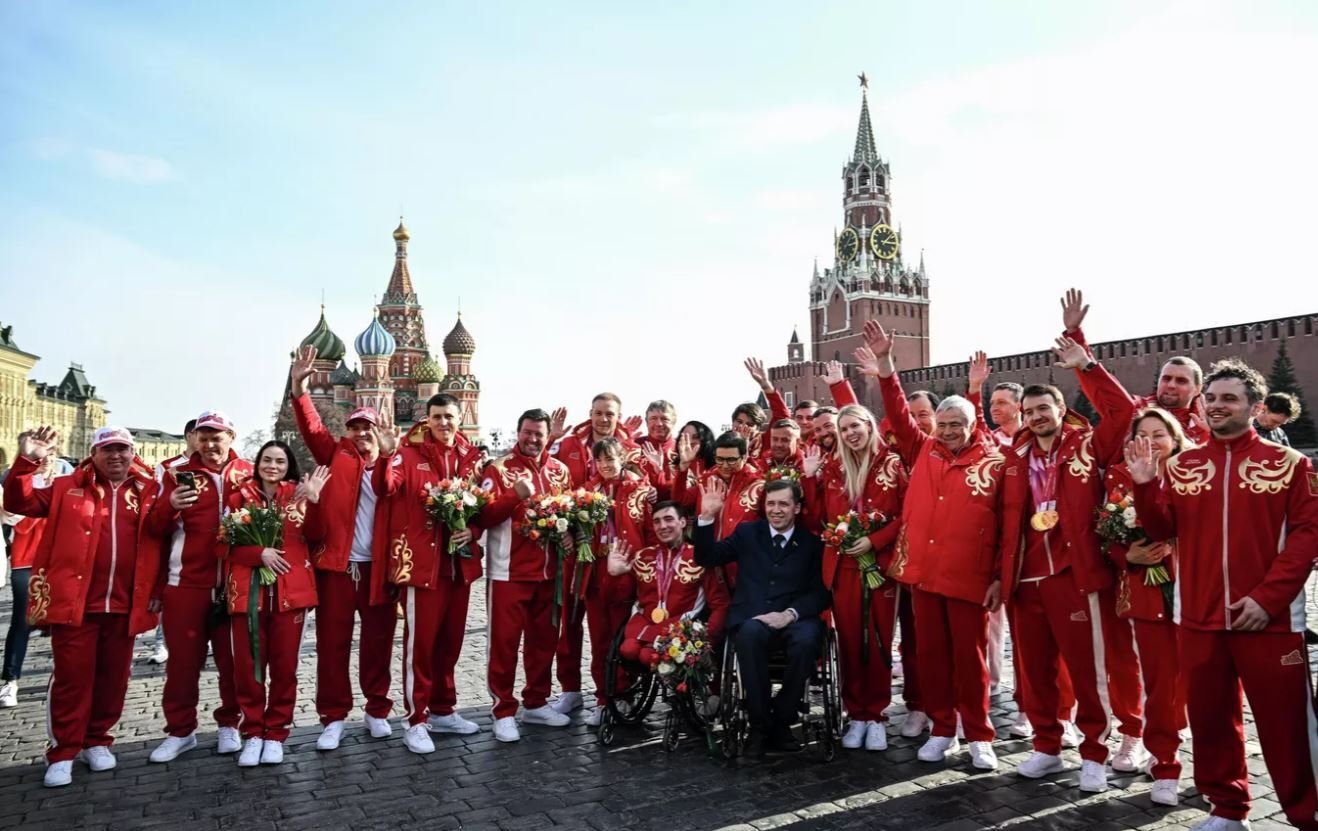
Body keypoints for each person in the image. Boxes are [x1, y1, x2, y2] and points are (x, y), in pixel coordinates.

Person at [1130, 359, 1318, 831]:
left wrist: (1267, 600)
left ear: (1255, 406)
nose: (1217, 406)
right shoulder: (1181, 466)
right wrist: (1146, 486)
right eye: (1211, 398)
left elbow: (1308, 535)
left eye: (1229, 399)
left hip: (1271, 622)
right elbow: (1162, 530)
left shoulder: (1290, 465)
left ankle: (1307, 814)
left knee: (1289, 726)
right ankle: (1228, 809)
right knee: (1211, 722)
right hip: (1198, 617)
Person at [857, 326, 1005, 772]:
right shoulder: (923, 451)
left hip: (968, 577)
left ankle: (978, 734)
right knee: (932, 658)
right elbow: (898, 412)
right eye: (943, 425)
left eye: (958, 424)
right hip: (923, 575)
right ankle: (943, 730)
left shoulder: (996, 462)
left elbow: (1008, 525)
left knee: (971, 660)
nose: (950, 431)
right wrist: (886, 366)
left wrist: (999, 575)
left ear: (973, 424)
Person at [998, 334, 1140, 794]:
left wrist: (1086, 365)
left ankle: (1095, 752)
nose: (1037, 416)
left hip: (1073, 574)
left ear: (1062, 410)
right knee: (1034, 671)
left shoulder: (1087, 446)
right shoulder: (1013, 457)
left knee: (1087, 671)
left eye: (1045, 408)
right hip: (1025, 579)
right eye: (1030, 411)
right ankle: (1047, 745)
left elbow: (1123, 413)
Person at [3, 426, 164, 787]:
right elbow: (18, 502)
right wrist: (27, 461)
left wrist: (156, 589)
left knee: (114, 679)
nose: (116, 456)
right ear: (94, 454)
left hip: (125, 604)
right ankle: (63, 751)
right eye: (108, 450)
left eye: (122, 449)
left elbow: (160, 541)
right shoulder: (65, 488)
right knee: (72, 680)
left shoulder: (148, 491)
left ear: (132, 453)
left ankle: (97, 740)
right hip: (76, 603)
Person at [289, 346, 397, 750]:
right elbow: (311, 427)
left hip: (377, 570)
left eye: (367, 427)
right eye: (355, 428)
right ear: (347, 433)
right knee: (332, 645)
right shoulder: (335, 456)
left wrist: (388, 454)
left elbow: (393, 490)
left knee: (377, 644)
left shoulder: (391, 464)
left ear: (378, 430)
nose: (361, 433)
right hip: (337, 567)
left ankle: (377, 710)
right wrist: (299, 388)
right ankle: (333, 717)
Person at [374, 392, 487, 754]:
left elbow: (481, 510)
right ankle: (416, 720)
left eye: (449, 416)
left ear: (459, 417)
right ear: (427, 419)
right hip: (422, 566)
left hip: (459, 566)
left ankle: (443, 710)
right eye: (436, 417)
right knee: (420, 648)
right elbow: (385, 488)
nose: (443, 423)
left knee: (450, 645)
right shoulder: (407, 454)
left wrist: (473, 531)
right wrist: (386, 454)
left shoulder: (471, 458)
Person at [694, 477, 830, 755]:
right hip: (753, 616)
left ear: (797, 508)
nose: (776, 510)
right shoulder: (747, 533)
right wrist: (707, 517)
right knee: (748, 635)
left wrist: (790, 614)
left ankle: (782, 720)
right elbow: (707, 557)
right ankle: (759, 725)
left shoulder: (811, 544)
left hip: (794, 618)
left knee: (807, 641)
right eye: (771, 504)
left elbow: (821, 592)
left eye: (783, 504)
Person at [146, 410, 252, 763]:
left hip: (233, 585)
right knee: (182, 664)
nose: (210, 445)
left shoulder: (248, 473)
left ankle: (230, 724)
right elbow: (154, 528)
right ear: (194, 439)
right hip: (186, 584)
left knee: (232, 663)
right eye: (204, 438)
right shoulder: (175, 475)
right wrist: (168, 506)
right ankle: (180, 731)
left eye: (217, 438)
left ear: (231, 438)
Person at [801, 404, 907, 752]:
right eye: (844, 429)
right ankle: (855, 713)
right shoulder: (833, 469)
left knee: (878, 641)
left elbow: (906, 514)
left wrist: (875, 541)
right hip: (842, 568)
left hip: (879, 567)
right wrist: (809, 479)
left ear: (869, 425)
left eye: (854, 426)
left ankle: (875, 715)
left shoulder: (892, 463)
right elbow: (816, 519)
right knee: (848, 643)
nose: (850, 434)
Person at [1103, 409, 1190, 806]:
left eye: (1160, 434)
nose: (1152, 442)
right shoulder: (1118, 477)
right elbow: (1105, 534)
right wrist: (1129, 556)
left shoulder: (1195, 474)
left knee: (1192, 683)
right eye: (1143, 434)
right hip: (1146, 590)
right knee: (1158, 681)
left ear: (1176, 438)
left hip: (1196, 590)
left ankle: (1197, 752)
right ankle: (1164, 760)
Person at [221, 442, 325, 767]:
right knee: (248, 670)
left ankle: (276, 733)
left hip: (291, 596)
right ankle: (253, 732)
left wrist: (315, 501)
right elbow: (222, 544)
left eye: (280, 461)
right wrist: (258, 554)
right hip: (247, 596)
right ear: (258, 463)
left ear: (288, 465)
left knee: (284, 669)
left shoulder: (299, 495)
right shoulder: (238, 498)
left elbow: (318, 535)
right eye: (267, 460)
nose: (273, 466)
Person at [479, 409, 575, 743]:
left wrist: (569, 534)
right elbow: (484, 516)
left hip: (549, 573)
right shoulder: (499, 469)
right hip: (508, 572)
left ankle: (536, 702)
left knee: (543, 642)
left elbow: (570, 513)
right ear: (518, 432)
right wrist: (513, 496)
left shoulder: (560, 471)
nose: (532, 439)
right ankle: (503, 711)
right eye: (527, 433)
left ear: (548, 437)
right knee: (504, 645)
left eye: (539, 434)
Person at [548, 392, 643, 716]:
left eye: (610, 414)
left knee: (622, 634)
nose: (604, 419)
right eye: (598, 413)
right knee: (581, 630)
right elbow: (551, 481)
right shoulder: (573, 453)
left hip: (625, 569)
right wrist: (566, 531)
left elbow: (654, 507)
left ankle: (623, 692)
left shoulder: (635, 476)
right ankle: (581, 692)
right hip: (585, 566)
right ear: (590, 413)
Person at [576, 438, 655, 727]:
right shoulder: (587, 492)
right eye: (599, 460)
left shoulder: (640, 490)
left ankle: (623, 693)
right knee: (599, 640)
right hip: (597, 577)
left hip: (629, 577)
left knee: (623, 639)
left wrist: (647, 574)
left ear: (622, 458)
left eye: (610, 459)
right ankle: (602, 698)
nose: (605, 465)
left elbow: (651, 535)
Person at [1060, 289, 1207, 444]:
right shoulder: (1137, 411)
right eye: (1166, 378)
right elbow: (1103, 386)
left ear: (1198, 389)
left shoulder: (1208, 425)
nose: (1171, 385)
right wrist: (1075, 334)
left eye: (1181, 381)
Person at [606, 501, 729, 668]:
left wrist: (707, 639)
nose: (662, 526)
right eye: (657, 521)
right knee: (628, 650)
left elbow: (720, 604)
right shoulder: (642, 557)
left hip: (682, 627)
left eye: (669, 519)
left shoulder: (700, 557)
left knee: (647, 656)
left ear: (683, 522)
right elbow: (617, 599)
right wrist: (614, 575)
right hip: (643, 624)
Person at [0, 433, 72, 709]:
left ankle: (65, 677)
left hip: (59, 561)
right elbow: (13, 517)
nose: (46, 459)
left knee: (64, 622)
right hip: (27, 559)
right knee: (22, 619)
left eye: (51, 454)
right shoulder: (15, 480)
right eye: (42, 455)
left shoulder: (66, 481)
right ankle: (10, 680)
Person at [673, 431, 764, 588]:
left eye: (731, 460)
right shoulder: (707, 480)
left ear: (744, 457)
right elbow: (681, 500)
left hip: (747, 567)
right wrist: (683, 468)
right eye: (720, 459)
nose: (725, 465)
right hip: (712, 565)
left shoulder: (759, 485)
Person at [145, 418, 198, 666]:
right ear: (188, 436)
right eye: (201, 435)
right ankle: (161, 642)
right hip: (173, 537)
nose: (207, 442)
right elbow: (156, 502)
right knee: (168, 591)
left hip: (200, 541)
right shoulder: (168, 467)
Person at [670, 420, 716, 511]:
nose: (690, 441)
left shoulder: (717, 467)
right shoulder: (676, 467)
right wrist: (683, 468)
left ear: (705, 440)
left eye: (695, 437)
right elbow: (679, 500)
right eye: (685, 438)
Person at [635, 400, 678, 499]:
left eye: (664, 419)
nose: (659, 424)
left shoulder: (682, 450)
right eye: (653, 418)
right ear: (646, 422)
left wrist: (659, 471)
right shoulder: (635, 446)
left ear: (673, 422)